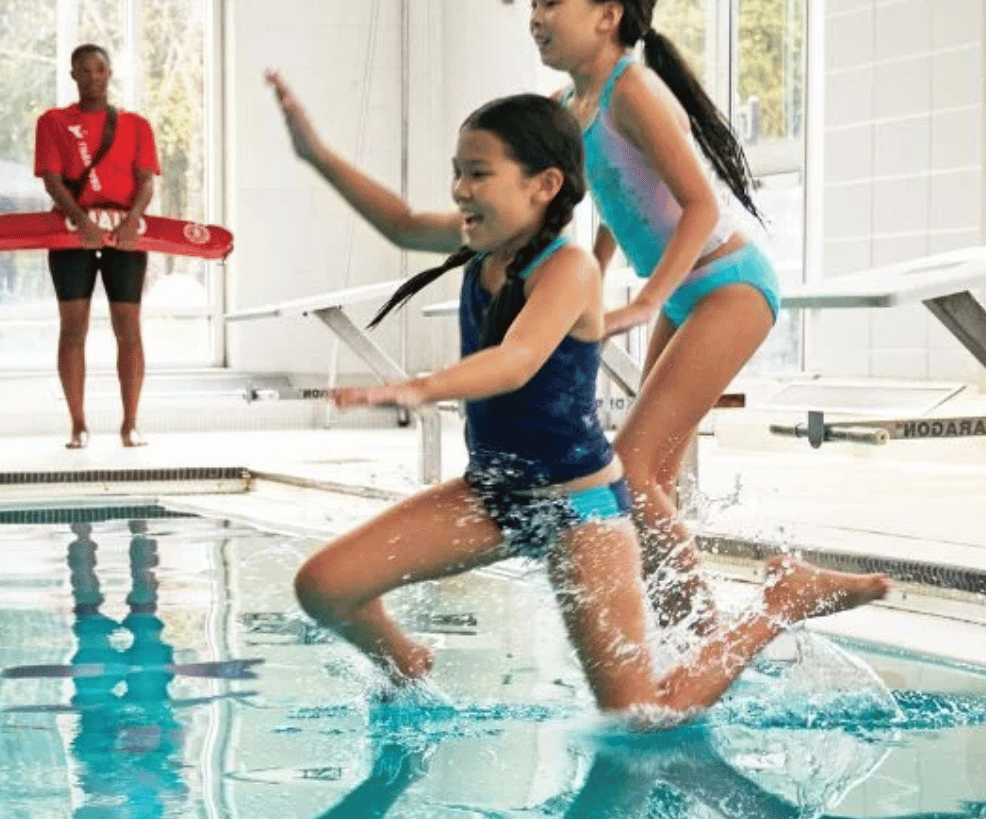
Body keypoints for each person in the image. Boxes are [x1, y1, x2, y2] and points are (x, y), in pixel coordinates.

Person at [266, 69, 888, 722]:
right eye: (458, 173)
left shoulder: (567, 268)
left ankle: (779, 603)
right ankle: (406, 664)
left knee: (640, 716)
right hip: (494, 496)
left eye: (479, 174)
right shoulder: (481, 245)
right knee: (324, 587)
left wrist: (420, 385)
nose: (459, 189)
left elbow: (516, 361)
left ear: (544, 185)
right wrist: (317, 156)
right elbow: (398, 221)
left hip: (579, 510)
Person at [531, 0, 783, 635]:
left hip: (730, 283)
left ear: (607, 15)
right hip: (687, 291)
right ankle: (675, 639)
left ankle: (706, 640)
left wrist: (644, 301)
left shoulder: (632, 87)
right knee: (651, 479)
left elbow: (698, 204)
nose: (536, 16)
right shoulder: (570, 103)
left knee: (631, 471)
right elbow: (615, 196)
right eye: (533, 2)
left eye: (553, 1)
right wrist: (597, 279)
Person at [35, 44, 160, 449]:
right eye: (84, 71)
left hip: (124, 234)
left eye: (100, 70)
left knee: (129, 330)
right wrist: (81, 220)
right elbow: (52, 179)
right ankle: (78, 423)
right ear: (72, 75)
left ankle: (131, 423)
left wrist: (131, 221)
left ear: (110, 73)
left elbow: (146, 180)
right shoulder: (53, 122)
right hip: (72, 233)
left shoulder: (136, 125)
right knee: (73, 329)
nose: (93, 77)